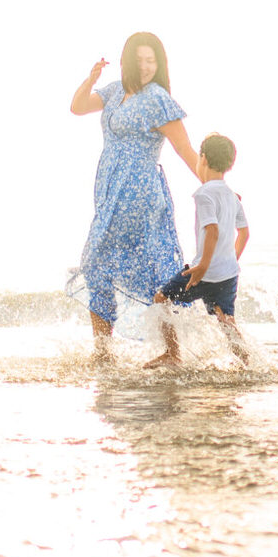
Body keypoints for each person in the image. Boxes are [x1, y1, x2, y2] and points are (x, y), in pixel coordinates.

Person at [67, 32, 202, 347]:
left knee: (130, 265)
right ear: (128, 62)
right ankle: (108, 349)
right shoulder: (115, 92)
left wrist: (214, 185)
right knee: (100, 266)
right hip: (109, 193)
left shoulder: (157, 99)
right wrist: (91, 78)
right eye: (139, 60)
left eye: (151, 61)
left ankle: (168, 350)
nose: (145, 67)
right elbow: (77, 107)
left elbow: (185, 149)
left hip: (140, 196)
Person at [147, 133, 252, 368]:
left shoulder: (204, 194)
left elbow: (212, 231)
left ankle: (172, 353)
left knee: (161, 299)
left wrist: (203, 266)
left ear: (202, 159)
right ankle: (244, 358)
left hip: (204, 272)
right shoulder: (232, 196)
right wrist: (229, 260)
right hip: (228, 273)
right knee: (225, 319)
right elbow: (244, 233)